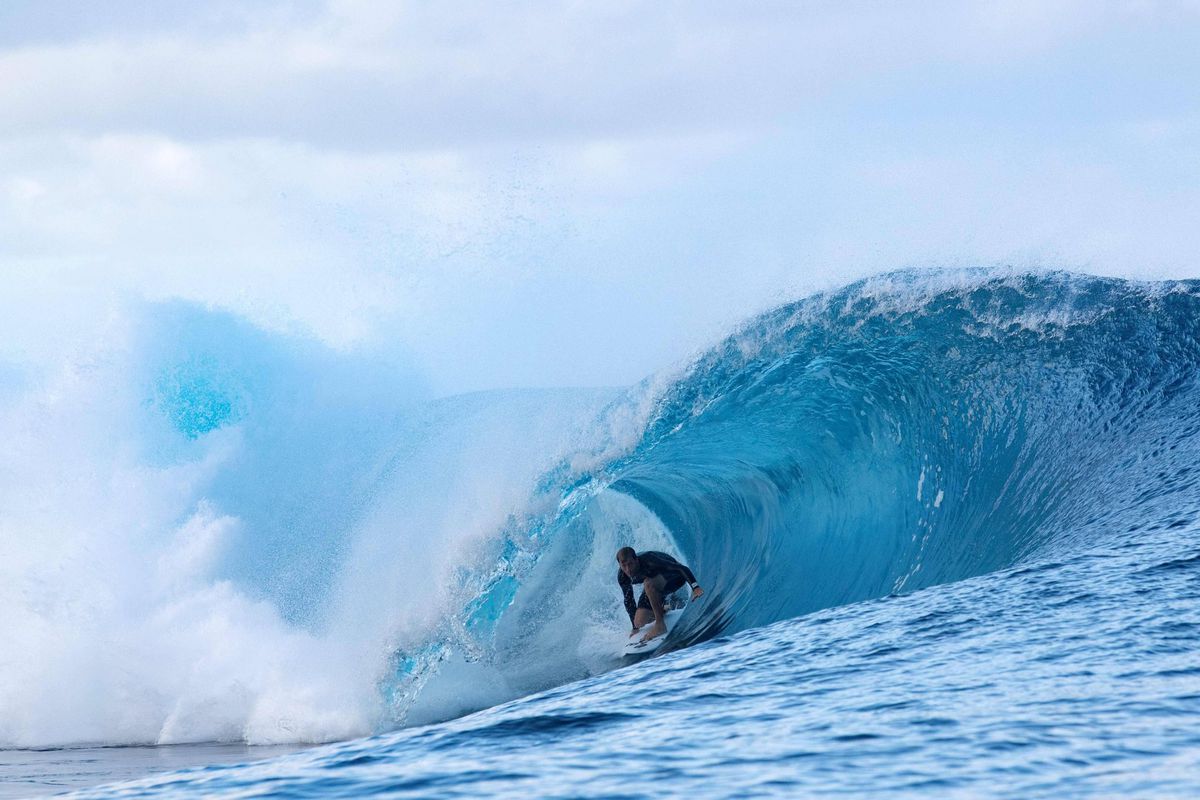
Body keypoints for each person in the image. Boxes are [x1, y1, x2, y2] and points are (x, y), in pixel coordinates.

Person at [617, 546, 703, 643]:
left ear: (636, 559)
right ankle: (666, 606)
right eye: (624, 566)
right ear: (620, 565)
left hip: (675, 578)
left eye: (630, 564)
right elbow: (629, 600)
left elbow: (680, 568)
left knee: (648, 583)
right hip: (654, 585)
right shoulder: (622, 576)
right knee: (639, 622)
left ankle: (660, 625)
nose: (628, 569)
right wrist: (635, 628)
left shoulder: (650, 561)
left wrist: (695, 587)